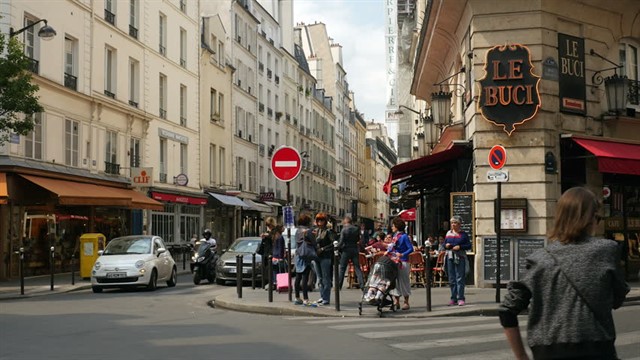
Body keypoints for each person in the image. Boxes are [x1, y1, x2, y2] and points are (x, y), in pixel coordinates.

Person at [499, 187, 629, 360]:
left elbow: (507, 311)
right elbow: (617, 299)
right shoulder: (607, 250)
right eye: (597, 218)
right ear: (589, 219)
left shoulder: (539, 260)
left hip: (548, 352)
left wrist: (522, 357)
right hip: (596, 350)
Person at [443, 215, 471, 306]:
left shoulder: (463, 235)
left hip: (460, 257)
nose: (453, 224)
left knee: (460, 278)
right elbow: (444, 244)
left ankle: (461, 298)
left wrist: (460, 247)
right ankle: (453, 298)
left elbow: (468, 246)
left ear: (459, 224)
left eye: (455, 223)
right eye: (452, 223)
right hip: (450, 256)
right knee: (452, 279)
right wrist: (445, 245)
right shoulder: (448, 233)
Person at [389, 217, 413, 310]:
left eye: (393, 225)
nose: (392, 227)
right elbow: (392, 247)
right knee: (395, 281)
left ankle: (406, 302)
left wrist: (402, 254)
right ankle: (396, 301)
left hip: (403, 261)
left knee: (404, 281)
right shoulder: (395, 236)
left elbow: (411, 248)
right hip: (394, 260)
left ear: (397, 226)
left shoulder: (404, 236)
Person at [294, 213, 317, 306]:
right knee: (305, 277)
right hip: (306, 255)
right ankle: (305, 299)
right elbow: (314, 242)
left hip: (298, 254)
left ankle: (297, 297)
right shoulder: (308, 231)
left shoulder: (297, 231)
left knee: (298, 277)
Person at [336, 216, 365, 290]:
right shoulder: (356, 229)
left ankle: (339, 286)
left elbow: (341, 241)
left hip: (346, 250)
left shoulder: (344, 230)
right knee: (357, 268)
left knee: (342, 268)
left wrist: (336, 248)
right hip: (354, 249)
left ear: (345, 222)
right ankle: (362, 285)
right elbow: (358, 239)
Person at [313, 212, 335, 306]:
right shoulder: (316, 231)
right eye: (318, 220)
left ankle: (326, 298)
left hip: (325, 256)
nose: (319, 222)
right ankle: (322, 296)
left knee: (326, 278)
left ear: (325, 221)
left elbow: (333, 244)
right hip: (317, 256)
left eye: (321, 220)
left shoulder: (328, 232)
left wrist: (322, 249)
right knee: (320, 278)